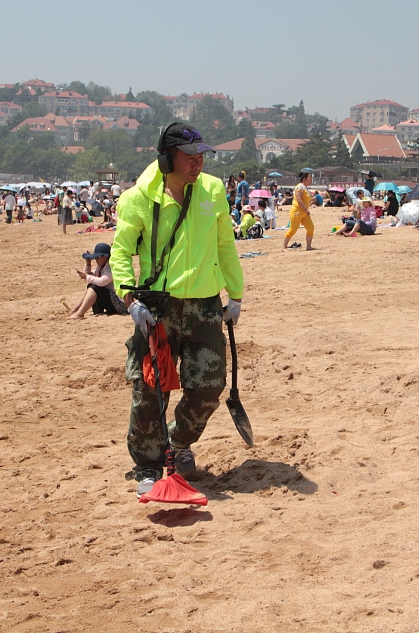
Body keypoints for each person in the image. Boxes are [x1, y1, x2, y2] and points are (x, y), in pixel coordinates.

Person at [109, 122, 244, 497]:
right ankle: (148, 467)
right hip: (158, 309)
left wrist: (235, 295)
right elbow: (121, 252)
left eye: (202, 156)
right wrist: (130, 300)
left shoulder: (213, 190)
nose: (198, 163)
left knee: (209, 387)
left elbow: (225, 244)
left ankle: (178, 441)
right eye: (190, 157)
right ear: (167, 159)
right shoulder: (138, 198)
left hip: (205, 306)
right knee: (151, 390)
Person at [68, 243, 128, 319]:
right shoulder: (101, 267)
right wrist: (88, 264)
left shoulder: (111, 267)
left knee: (94, 287)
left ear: (105, 257)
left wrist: (87, 276)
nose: (96, 259)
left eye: (98, 257)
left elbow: (102, 282)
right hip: (111, 301)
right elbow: (91, 277)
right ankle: (77, 310)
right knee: (92, 285)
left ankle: (80, 312)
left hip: (119, 304)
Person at [283, 170, 315, 251]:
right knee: (293, 230)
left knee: (310, 228)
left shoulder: (305, 188)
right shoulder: (299, 187)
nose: (311, 179)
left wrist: (311, 202)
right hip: (297, 212)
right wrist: (306, 209)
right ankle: (284, 247)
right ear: (304, 179)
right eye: (309, 178)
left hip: (304, 213)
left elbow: (305, 200)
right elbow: (299, 199)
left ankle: (308, 246)